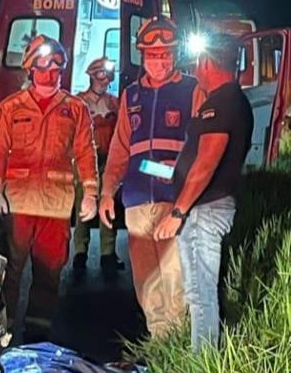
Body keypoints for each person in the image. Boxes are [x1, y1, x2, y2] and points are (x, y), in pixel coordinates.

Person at [99, 17, 207, 338]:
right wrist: (107, 191)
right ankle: (161, 344)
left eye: (165, 54)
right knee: (146, 280)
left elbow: (206, 147)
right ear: (142, 55)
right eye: (152, 53)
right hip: (135, 200)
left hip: (173, 200)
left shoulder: (192, 90)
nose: (159, 60)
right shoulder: (131, 95)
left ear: (175, 55)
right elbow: (120, 149)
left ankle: (176, 346)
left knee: (174, 278)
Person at [0, 34, 99, 340]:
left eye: (57, 67)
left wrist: (90, 193)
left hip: (55, 207)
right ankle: (2, 334)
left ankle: (37, 338)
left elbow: (86, 152)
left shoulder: (75, 109)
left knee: (49, 276)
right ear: (31, 68)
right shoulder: (10, 108)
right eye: (44, 65)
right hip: (17, 204)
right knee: (9, 272)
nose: (51, 72)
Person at [154, 34, 252, 352]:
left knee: (200, 292)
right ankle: (204, 357)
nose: (195, 70)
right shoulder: (229, 99)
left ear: (207, 63)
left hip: (203, 211)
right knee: (200, 289)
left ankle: (203, 362)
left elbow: (205, 164)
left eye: (198, 63)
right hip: (206, 208)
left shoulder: (222, 102)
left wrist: (178, 212)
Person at [73, 57, 123, 272]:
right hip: (85, 161)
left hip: (108, 159)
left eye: (107, 78)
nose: (105, 82)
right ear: (92, 77)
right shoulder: (79, 102)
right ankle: (79, 252)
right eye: (101, 77)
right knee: (82, 205)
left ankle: (107, 253)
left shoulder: (114, 102)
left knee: (107, 202)